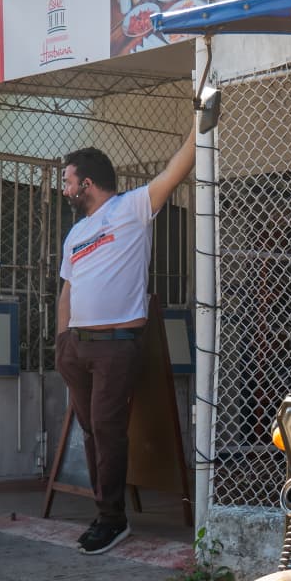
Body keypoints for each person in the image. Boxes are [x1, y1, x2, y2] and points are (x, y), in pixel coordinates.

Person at [56, 125, 197, 555]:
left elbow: (176, 169)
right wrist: (62, 341)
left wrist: (198, 120)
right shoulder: (76, 233)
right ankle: (106, 512)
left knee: (108, 429)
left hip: (117, 344)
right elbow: (67, 289)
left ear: (88, 183)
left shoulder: (132, 207)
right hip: (76, 347)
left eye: (67, 180)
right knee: (92, 432)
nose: (64, 188)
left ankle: (112, 520)